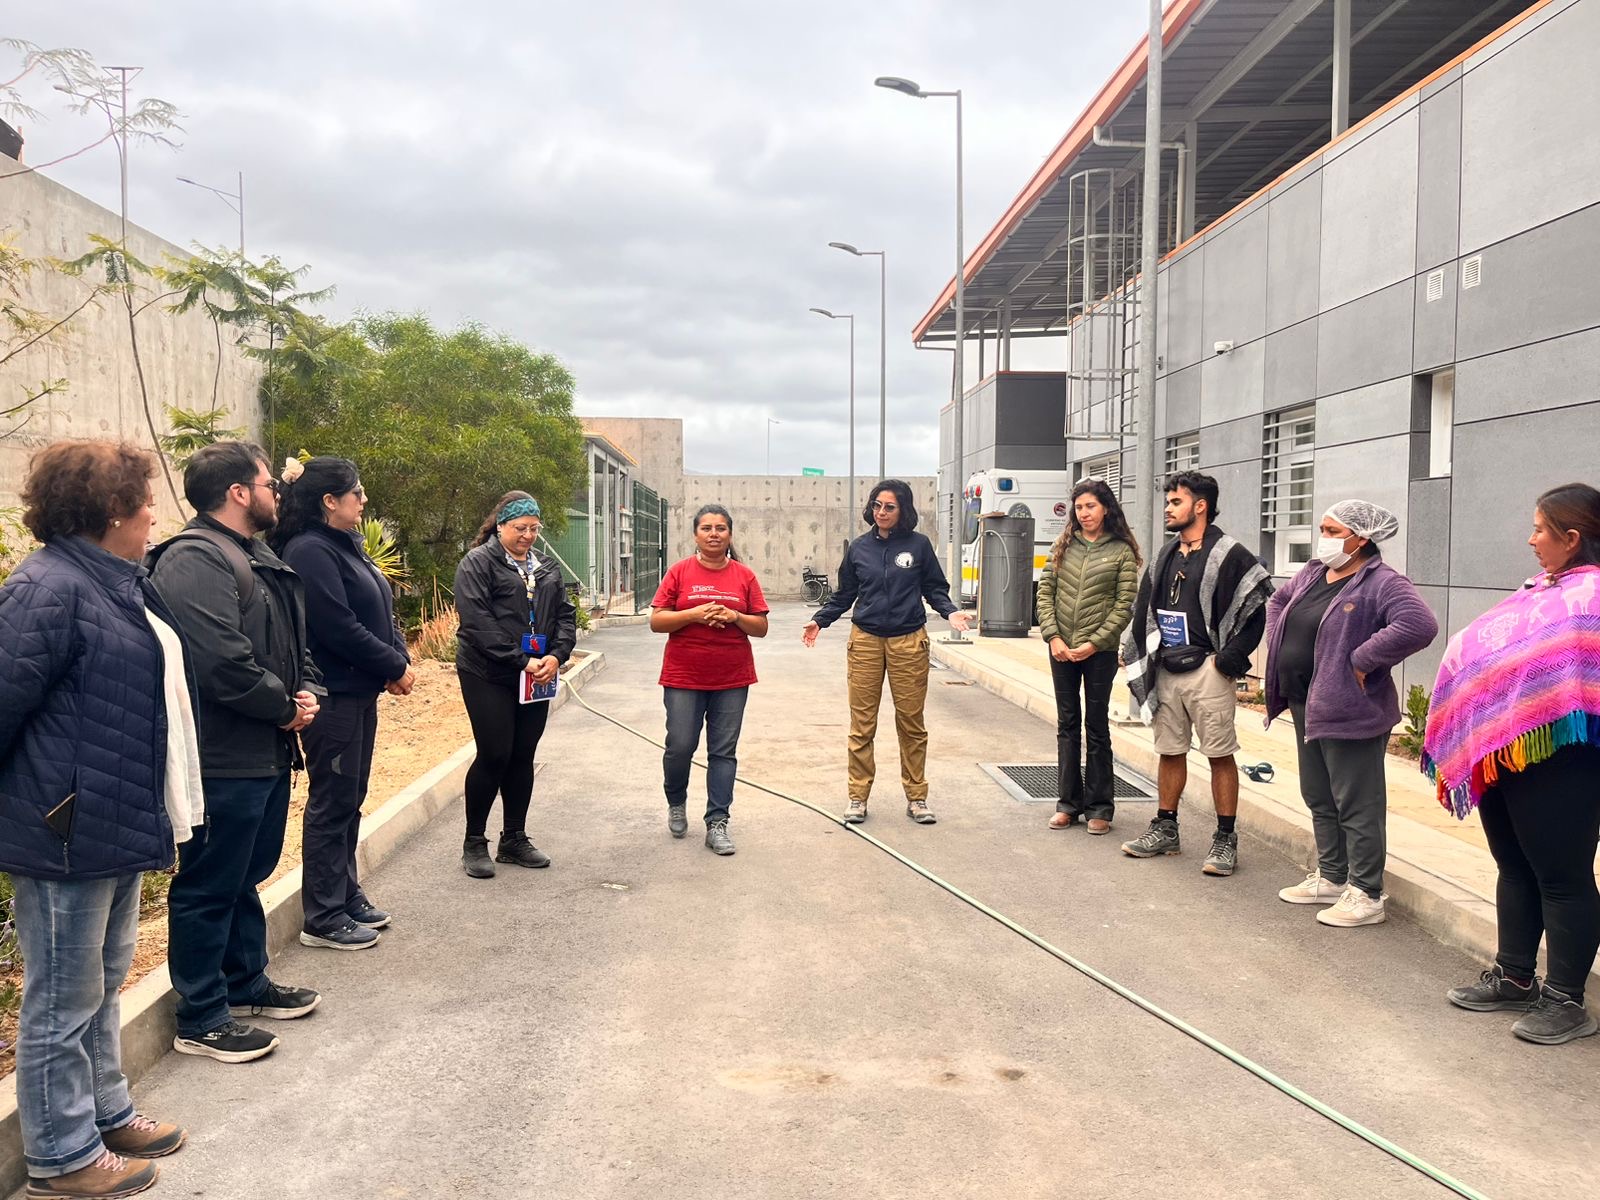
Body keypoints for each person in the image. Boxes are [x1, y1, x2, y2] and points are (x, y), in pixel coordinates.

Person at [0, 441, 200, 1198]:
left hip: (110, 823)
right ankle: (60, 1154)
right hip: (63, 832)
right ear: (111, 509)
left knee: (104, 981)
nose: (154, 514)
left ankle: (106, 1112)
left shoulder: (116, 585)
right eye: (144, 500)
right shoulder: (46, 588)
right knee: (62, 998)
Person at [147, 441, 324, 1065]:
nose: (278, 492)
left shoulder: (253, 553)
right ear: (239, 492)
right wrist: (283, 707)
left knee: (244, 873)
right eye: (269, 483)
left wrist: (308, 689)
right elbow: (220, 660)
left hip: (264, 748)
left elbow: (293, 643)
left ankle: (245, 983)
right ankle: (201, 1016)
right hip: (222, 756)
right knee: (207, 883)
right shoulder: (193, 558)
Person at [1427, 483, 1600, 1045]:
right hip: (1503, 751)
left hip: (1565, 758)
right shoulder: (1540, 590)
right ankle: (1515, 977)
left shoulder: (1593, 599)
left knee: (1562, 875)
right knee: (1514, 864)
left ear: (1571, 538)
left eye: (1539, 529)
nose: (1531, 540)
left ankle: (1566, 1000)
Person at [1263, 501, 1438, 927]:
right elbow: (1277, 602)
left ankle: (1366, 892)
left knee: (1357, 802)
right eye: (1322, 528)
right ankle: (1332, 876)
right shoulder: (1312, 572)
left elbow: (1419, 625)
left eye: (1332, 531)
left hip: (1350, 709)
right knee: (1319, 794)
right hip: (1306, 702)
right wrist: (1278, 641)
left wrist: (1362, 659)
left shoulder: (1382, 582)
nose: (1322, 538)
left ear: (1360, 538)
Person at [272, 457, 414, 951]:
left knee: (350, 798)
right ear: (329, 501)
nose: (364, 499)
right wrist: (392, 666)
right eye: (357, 492)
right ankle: (323, 914)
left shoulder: (344, 543)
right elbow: (338, 627)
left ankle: (346, 893)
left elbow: (380, 611)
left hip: (358, 693)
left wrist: (399, 658)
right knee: (332, 802)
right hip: (332, 696)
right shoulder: (309, 550)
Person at [1119, 471, 1271, 876]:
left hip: (1207, 669)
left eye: (1176, 502)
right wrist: (1134, 647)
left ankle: (1225, 839)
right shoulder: (1167, 553)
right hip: (1167, 667)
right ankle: (1165, 827)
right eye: (1168, 501)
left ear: (1200, 506)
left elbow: (1255, 612)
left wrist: (1226, 661)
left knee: (1219, 754)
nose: (1168, 509)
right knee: (1170, 751)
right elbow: (1144, 607)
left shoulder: (1230, 554)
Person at [802, 479, 972, 824]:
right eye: (877, 505)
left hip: (908, 641)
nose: (881, 512)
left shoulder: (919, 546)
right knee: (862, 725)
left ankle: (917, 797)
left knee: (911, 723)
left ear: (903, 510)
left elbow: (935, 588)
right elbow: (845, 594)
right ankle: (857, 796)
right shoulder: (859, 548)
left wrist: (950, 611)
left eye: (889, 507)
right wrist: (820, 620)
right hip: (865, 641)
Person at [452, 492, 577, 878]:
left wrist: (556, 656)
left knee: (523, 754)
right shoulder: (477, 563)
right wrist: (521, 659)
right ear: (500, 525)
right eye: (520, 528)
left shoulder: (546, 567)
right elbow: (477, 622)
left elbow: (565, 615)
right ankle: (474, 842)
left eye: (534, 529)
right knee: (495, 753)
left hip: (536, 674)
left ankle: (514, 839)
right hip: (488, 672)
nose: (527, 535)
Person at [650, 504, 769, 855]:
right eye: (706, 528)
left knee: (723, 752)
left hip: (732, 677)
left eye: (720, 528)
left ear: (729, 534)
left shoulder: (744, 576)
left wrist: (734, 616)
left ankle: (717, 822)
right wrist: (695, 614)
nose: (714, 534)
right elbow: (657, 621)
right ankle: (676, 800)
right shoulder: (679, 572)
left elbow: (761, 627)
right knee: (680, 745)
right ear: (695, 534)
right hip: (683, 676)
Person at [1036, 479, 1140, 834]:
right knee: (1067, 725)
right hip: (1061, 649)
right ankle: (1067, 804)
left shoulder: (1121, 551)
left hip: (1100, 652)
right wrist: (1053, 637)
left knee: (1096, 726)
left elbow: (1124, 606)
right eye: (1079, 507)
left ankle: (1100, 808)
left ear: (1105, 508)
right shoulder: (1063, 544)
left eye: (1090, 506)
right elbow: (1045, 592)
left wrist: (1095, 643)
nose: (1084, 513)